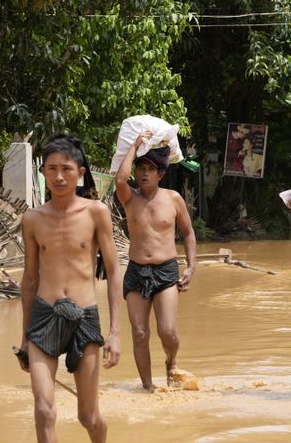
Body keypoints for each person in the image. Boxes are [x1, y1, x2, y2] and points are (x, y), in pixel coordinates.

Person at [18, 135, 122, 443]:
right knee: (44, 410)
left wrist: (115, 332)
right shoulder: (32, 219)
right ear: (43, 172)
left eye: (66, 168)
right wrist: (24, 337)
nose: (59, 176)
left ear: (80, 172)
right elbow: (30, 280)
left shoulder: (96, 212)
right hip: (44, 316)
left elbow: (114, 272)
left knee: (88, 417)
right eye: (51, 169)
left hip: (84, 318)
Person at [115, 130, 197, 391]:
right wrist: (136, 145)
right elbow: (119, 179)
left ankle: (171, 362)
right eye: (141, 168)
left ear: (161, 174)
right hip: (137, 271)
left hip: (165, 271)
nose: (144, 173)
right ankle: (148, 388)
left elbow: (188, 233)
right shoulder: (129, 198)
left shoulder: (173, 199)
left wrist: (191, 266)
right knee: (139, 333)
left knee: (167, 330)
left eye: (151, 169)